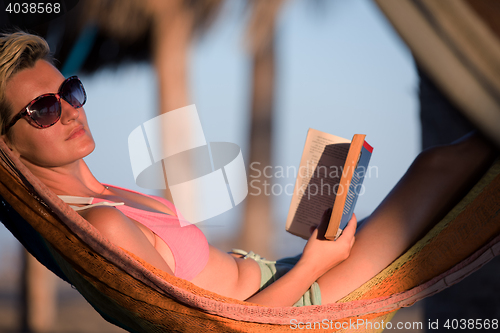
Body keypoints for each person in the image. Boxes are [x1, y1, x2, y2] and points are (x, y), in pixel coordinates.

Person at [0, 31, 497, 307]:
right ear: (9, 147)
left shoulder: (108, 194)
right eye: (43, 109)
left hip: (282, 275)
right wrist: (313, 266)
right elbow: (224, 327)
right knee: (444, 164)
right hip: (301, 302)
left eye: (69, 92)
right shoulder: (102, 225)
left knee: (450, 176)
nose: (69, 111)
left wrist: (303, 259)